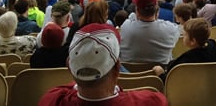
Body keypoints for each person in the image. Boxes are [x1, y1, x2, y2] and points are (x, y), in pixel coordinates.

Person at [38, 23, 168, 106]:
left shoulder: (53, 100)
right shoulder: (150, 101)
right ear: (117, 67)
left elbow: (63, 90)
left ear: (69, 67)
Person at [119, 0, 179, 66]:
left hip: (128, 75)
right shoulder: (171, 29)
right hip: (159, 76)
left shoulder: (125, 27)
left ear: (137, 10)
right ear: (156, 9)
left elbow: (131, 18)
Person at [151, 18, 216, 80]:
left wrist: (161, 74)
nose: (183, 37)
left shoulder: (185, 62)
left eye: (185, 35)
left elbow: (170, 82)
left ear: (193, 41)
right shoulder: (214, 48)